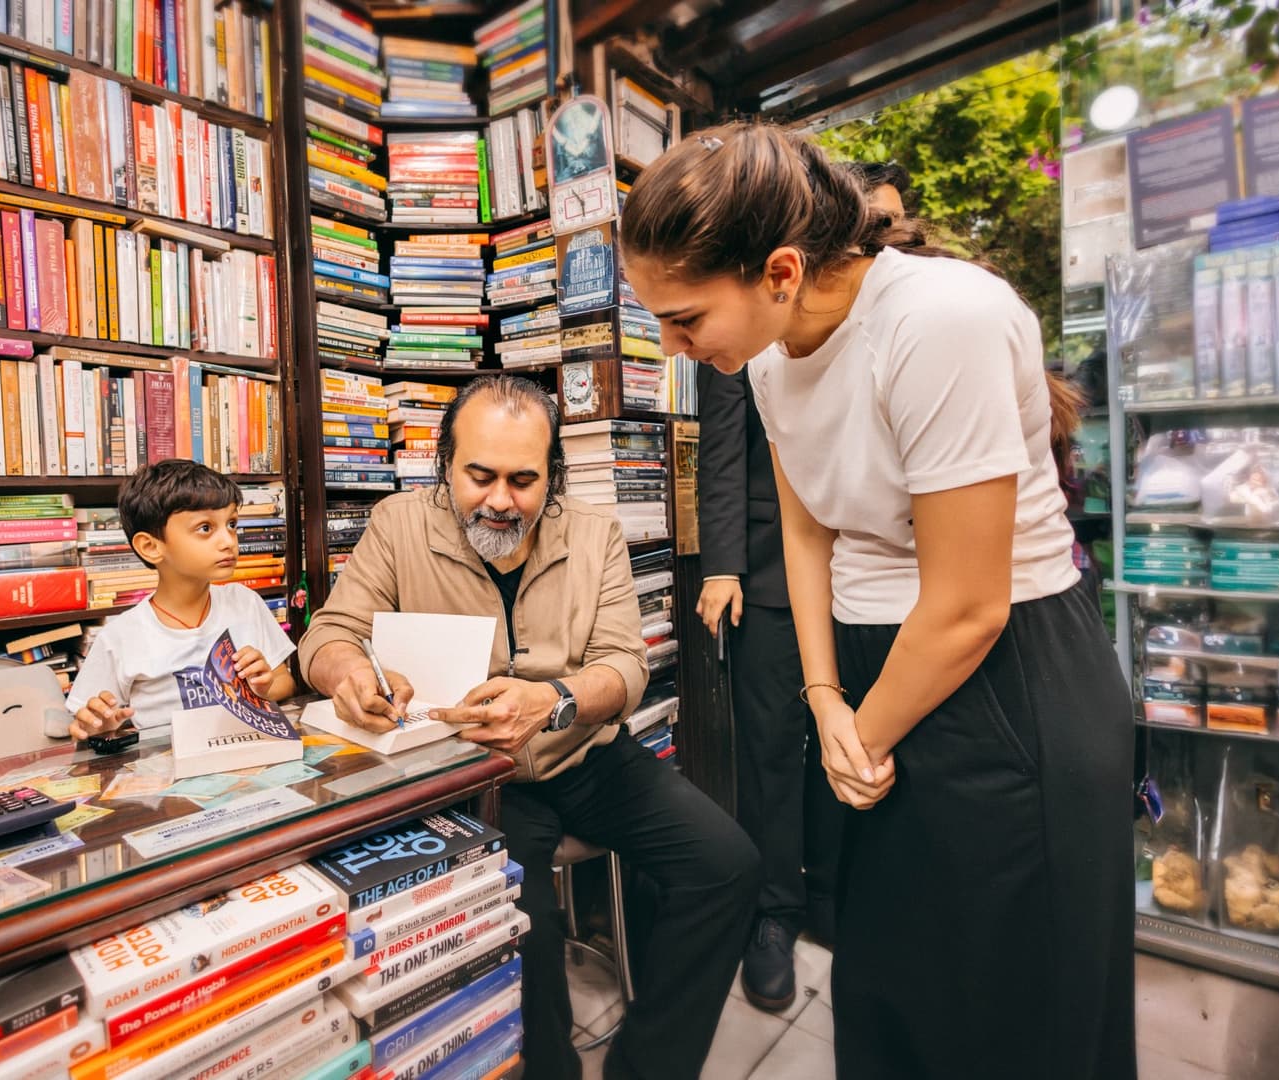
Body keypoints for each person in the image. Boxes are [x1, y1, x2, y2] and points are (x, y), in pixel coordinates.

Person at [620, 122, 1135, 1080]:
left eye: (684, 318)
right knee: (892, 995)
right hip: (874, 673)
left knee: (1008, 1013)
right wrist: (825, 697)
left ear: (779, 270)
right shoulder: (769, 356)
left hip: (1004, 683)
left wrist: (863, 728)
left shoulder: (940, 319)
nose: (674, 345)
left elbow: (968, 606)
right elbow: (808, 523)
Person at [298, 375, 761, 1080]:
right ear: (444, 465)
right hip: (479, 775)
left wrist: (555, 701)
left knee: (727, 865)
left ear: (554, 477)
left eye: (524, 480)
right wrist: (346, 673)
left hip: (589, 754)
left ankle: (647, 1065)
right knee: (524, 927)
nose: (500, 500)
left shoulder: (594, 533)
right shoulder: (399, 524)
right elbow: (329, 633)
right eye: (478, 476)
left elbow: (624, 667)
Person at [695, 158, 910, 1010]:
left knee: (864, 749)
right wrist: (722, 562)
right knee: (775, 751)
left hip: (887, 582)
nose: (879, 239)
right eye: (870, 221)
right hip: (775, 565)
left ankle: (838, 902)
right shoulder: (759, 338)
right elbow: (721, 440)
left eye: (891, 225)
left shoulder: (912, 322)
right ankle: (774, 914)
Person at [67, 460, 296, 738]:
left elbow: (285, 681)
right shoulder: (120, 637)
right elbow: (83, 724)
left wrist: (261, 688)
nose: (228, 541)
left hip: (243, 753)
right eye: (205, 528)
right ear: (150, 547)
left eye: (232, 524)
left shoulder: (245, 603)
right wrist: (100, 725)